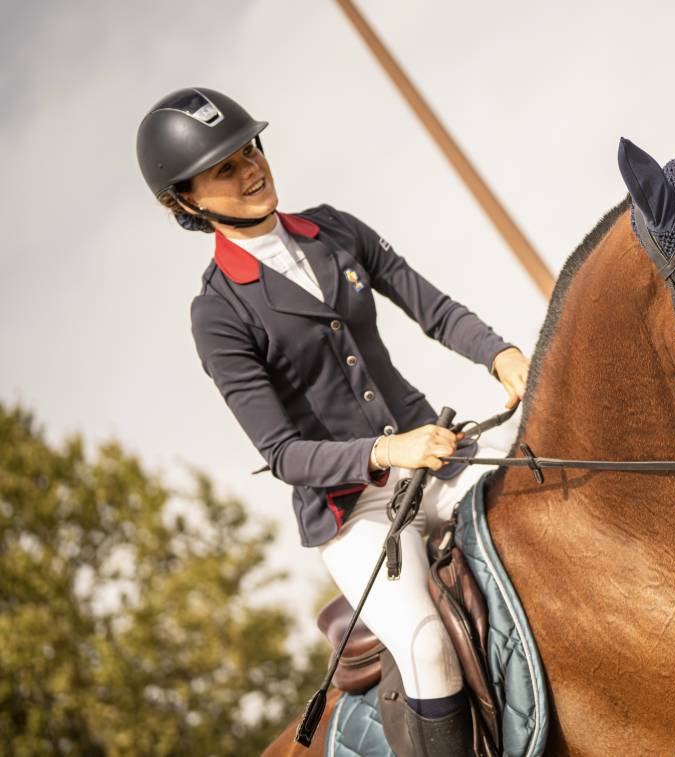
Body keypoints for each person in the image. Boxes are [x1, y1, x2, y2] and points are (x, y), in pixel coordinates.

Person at [136, 87, 528, 755]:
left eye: (250, 150)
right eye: (226, 167)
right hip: (354, 512)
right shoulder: (218, 313)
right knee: (427, 647)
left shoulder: (334, 229)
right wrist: (386, 452)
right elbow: (283, 453)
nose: (252, 169)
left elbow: (432, 309)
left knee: (545, 496)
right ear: (186, 202)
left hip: (439, 456)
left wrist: (502, 355)